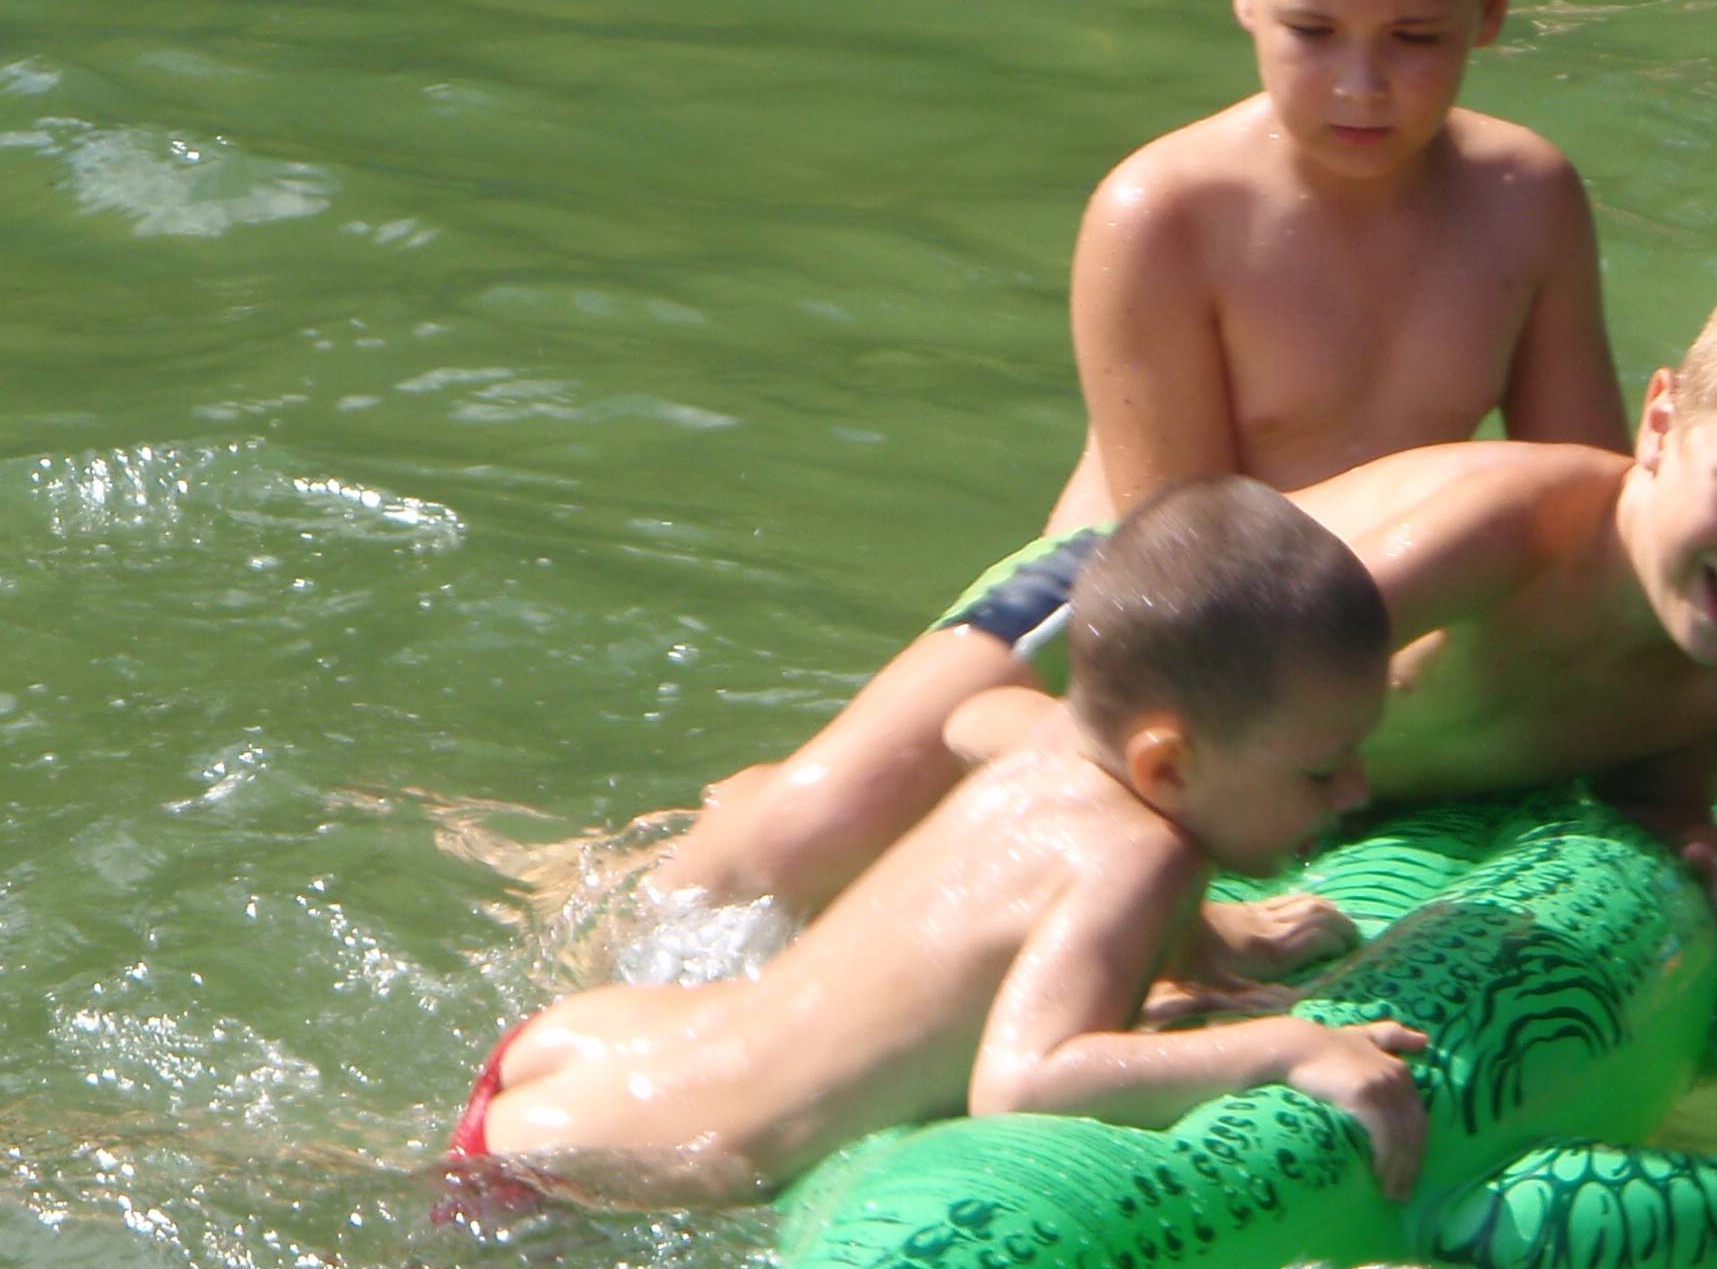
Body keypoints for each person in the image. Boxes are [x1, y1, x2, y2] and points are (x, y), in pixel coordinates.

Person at [646, 0, 1624, 921]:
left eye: (1415, 37)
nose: (1361, 87)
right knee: (794, 844)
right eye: (1312, 32)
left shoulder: (1526, 203)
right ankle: (623, 860)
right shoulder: (1165, 214)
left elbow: (1594, 506)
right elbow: (1178, 571)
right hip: (1117, 595)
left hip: (1372, 599)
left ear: (1492, 4)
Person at [453, 480, 1431, 1208]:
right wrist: (1287, 1049)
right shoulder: (1142, 856)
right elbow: (1026, 1081)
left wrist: (1199, 942)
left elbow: (975, 722)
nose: (1355, 790)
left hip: (603, 1044)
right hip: (616, 1158)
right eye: (1322, 770)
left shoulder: (1056, 751)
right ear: (1165, 765)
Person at [954, 258, 1717, 962]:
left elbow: (1655, 798)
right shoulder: (1512, 537)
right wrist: (1182, 919)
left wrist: (1686, 834)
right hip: (1109, 611)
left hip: (1303, 786)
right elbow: (1190, 676)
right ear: (1659, 422)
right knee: (879, 793)